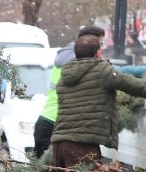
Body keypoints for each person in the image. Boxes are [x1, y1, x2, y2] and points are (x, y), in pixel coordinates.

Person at [49, 33, 146, 172]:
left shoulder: (65, 76)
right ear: (98, 53)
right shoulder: (102, 71)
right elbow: (135, 86)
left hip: (59, 145)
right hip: (82, 146)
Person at [33, 25, 106, 159]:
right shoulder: (79, 62)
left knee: (45, 170)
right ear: (90, 43)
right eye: (100, 45)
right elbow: (110, 74)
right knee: (54, 171)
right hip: (57, 124)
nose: (102, 49)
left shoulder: (68, 57)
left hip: (49, 122)